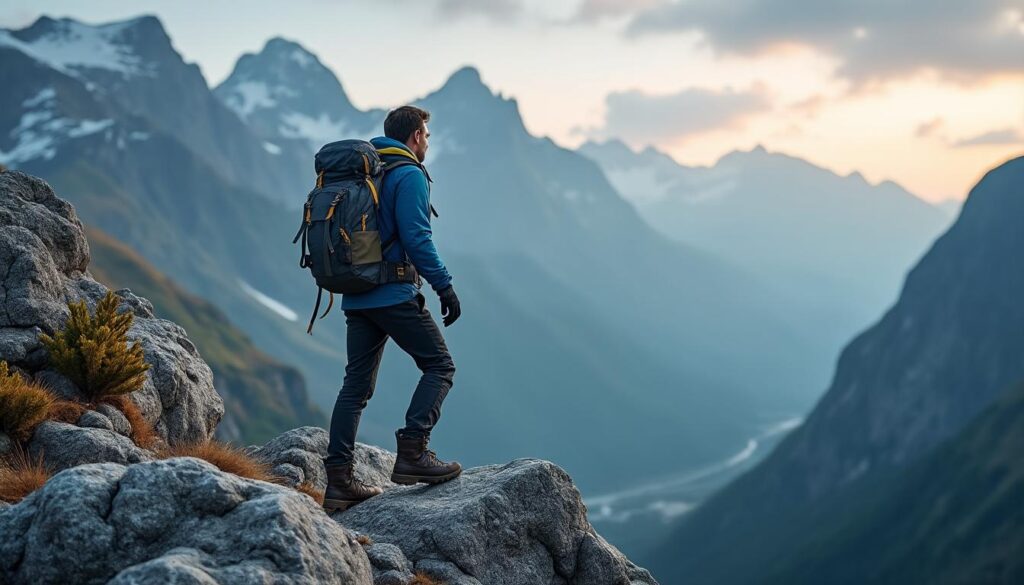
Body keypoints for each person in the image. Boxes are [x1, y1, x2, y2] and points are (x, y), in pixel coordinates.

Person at [321, 105, 463, 512]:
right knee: (439, 366)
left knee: (355, 387)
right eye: (427, 137)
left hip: (357, 294)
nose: (427, 144)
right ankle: (413, 451)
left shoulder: (368, 172)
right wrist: (444, 286)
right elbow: (417, 237)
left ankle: (339, 481)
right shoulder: (408, 174)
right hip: (393, 294)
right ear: (416, 136)